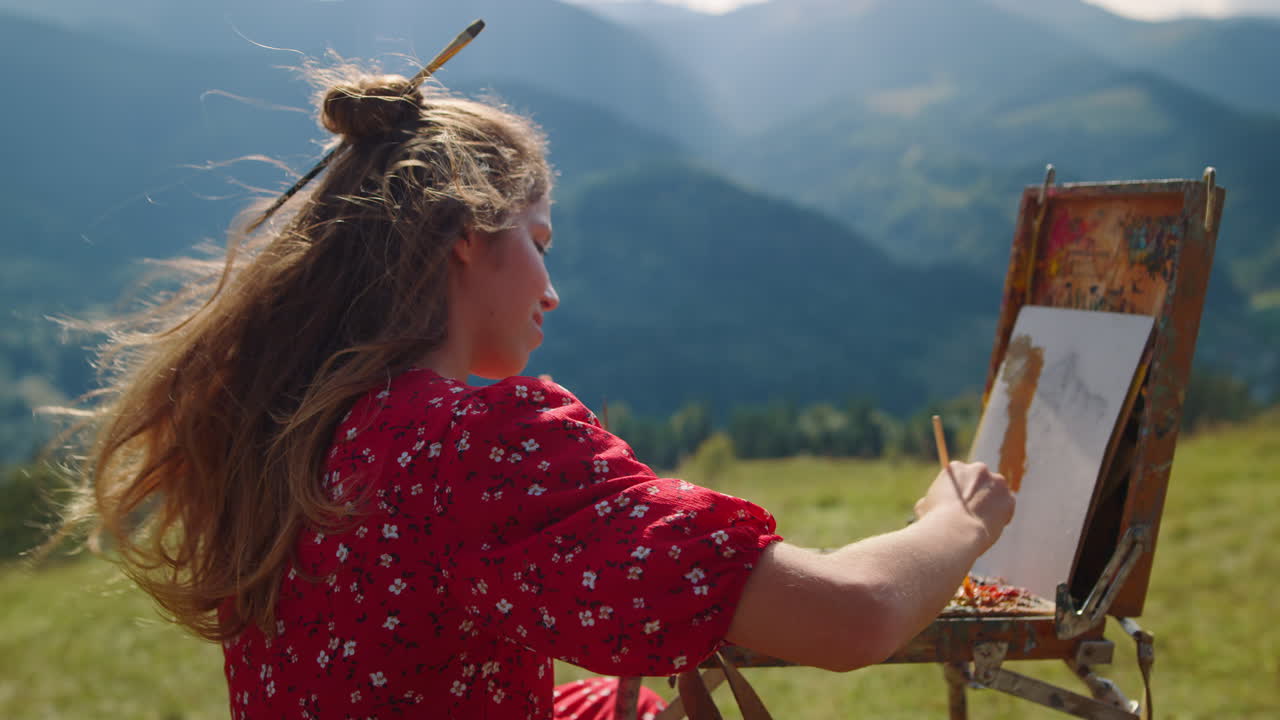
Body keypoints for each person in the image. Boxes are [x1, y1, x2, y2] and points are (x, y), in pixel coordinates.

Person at [61, 67, 1014, 720]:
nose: (551, 288)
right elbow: (854, 616)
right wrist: (957, 520)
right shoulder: (472, 447)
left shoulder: (296, 440)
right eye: (540, 242)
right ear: (467, 237)